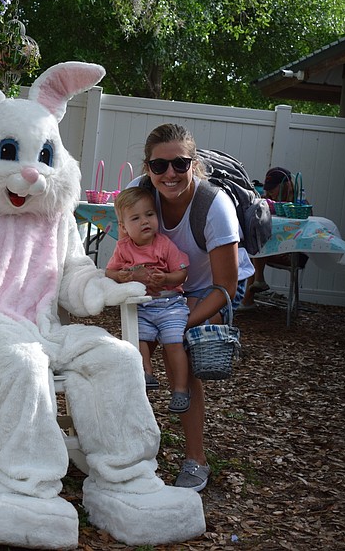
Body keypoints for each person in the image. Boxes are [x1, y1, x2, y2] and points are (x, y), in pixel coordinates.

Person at [127, 123, 254, 492]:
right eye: (159, 166)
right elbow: (126, 256)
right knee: (130, 353)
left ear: (193, 164)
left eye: (180, 164)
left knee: (177, 348)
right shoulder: (138, 197)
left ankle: (196, 459)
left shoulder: (214, 206)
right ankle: (130, 451)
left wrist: (180, 324)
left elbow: (226, 287)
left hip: (206, 289)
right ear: (147, 167)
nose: (170, 174)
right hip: (164, 290)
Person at [105, 187, 192, 413]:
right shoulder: (123, 248)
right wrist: (120, 276)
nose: (145, 222)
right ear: (123, 227)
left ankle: (181, 390)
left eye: (150, 215)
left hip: (169, 304)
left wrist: (167, 279)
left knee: (174, 343)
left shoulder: (163, 244)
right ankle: (146, 373)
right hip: (142, 306)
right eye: (136, 218)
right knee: (138, 340)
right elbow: (110, 272)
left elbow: (182, 273)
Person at [238, 167, 308, 310]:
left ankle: (250, 294)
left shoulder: (299, 203)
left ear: (284, 186)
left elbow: (305, 228)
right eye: (267, 189)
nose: (269, 192)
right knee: (254, 244)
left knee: (256, 248)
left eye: (272, 189)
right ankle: (253, 288)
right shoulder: (269, 201)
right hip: (271, 250)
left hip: (293, 252)